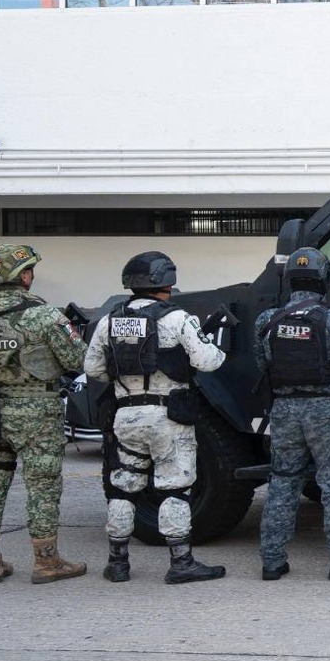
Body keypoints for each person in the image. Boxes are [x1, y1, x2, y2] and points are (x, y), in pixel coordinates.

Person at [83, 251, 228, 585]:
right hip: (168, 416)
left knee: (123, 487)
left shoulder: (109, 320)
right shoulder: (177, 318)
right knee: (175, 487)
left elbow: (92, 368)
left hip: (125, 414)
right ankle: (181, 562)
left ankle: (117, 563)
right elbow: (208, 361)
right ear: (167, 281)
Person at [0, 243, 88, 585]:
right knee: (42, 485)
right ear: (23, 276)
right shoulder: (44, 315)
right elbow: (78, 359)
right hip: (37, 413)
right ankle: (47, 561)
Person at [255, 247, 330, 582]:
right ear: (323, 279)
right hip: (328, 410)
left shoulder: (267, 321)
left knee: (283, 481)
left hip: (284, 410)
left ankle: (272, 562)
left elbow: (262, 364)